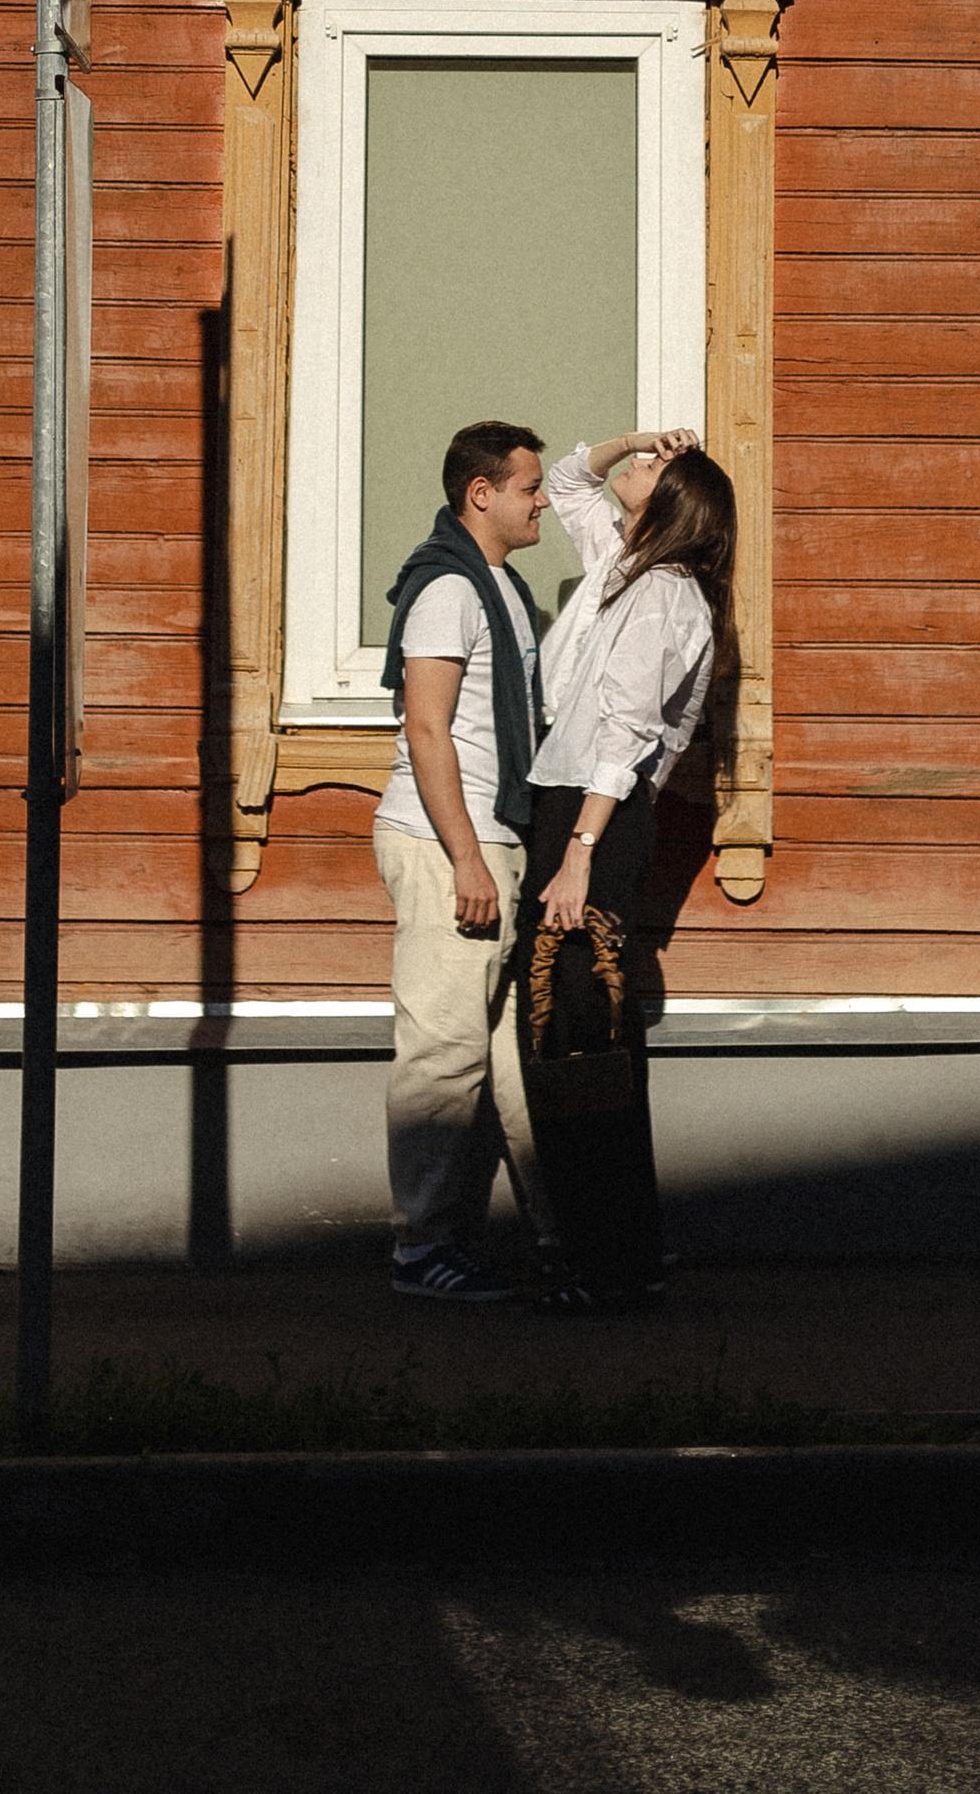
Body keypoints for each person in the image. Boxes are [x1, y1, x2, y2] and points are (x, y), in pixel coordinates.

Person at [516, 427, 737, 1312]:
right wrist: (638, 440)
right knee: (583, 1031)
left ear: (676, 499)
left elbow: (627, 732)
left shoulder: (665, 596)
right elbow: (572, 480)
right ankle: (617, 1249)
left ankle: (608, 1263)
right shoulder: (627, 565)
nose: (632, 471)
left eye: (650, 468)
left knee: (583, 1036)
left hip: (592, 818)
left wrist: (577, 855)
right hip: (576, 808)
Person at [370, 417, 555, 1305]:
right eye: (529, 487)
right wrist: (468, 859)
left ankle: (565, 1233)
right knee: (443, 1055)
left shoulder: (501, 587)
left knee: (510, 1060)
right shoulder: (449, 590)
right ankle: (420, 1248)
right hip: (453, 843)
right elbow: (427, 728)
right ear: (481, 493)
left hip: (492, 839)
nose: (545, 501)